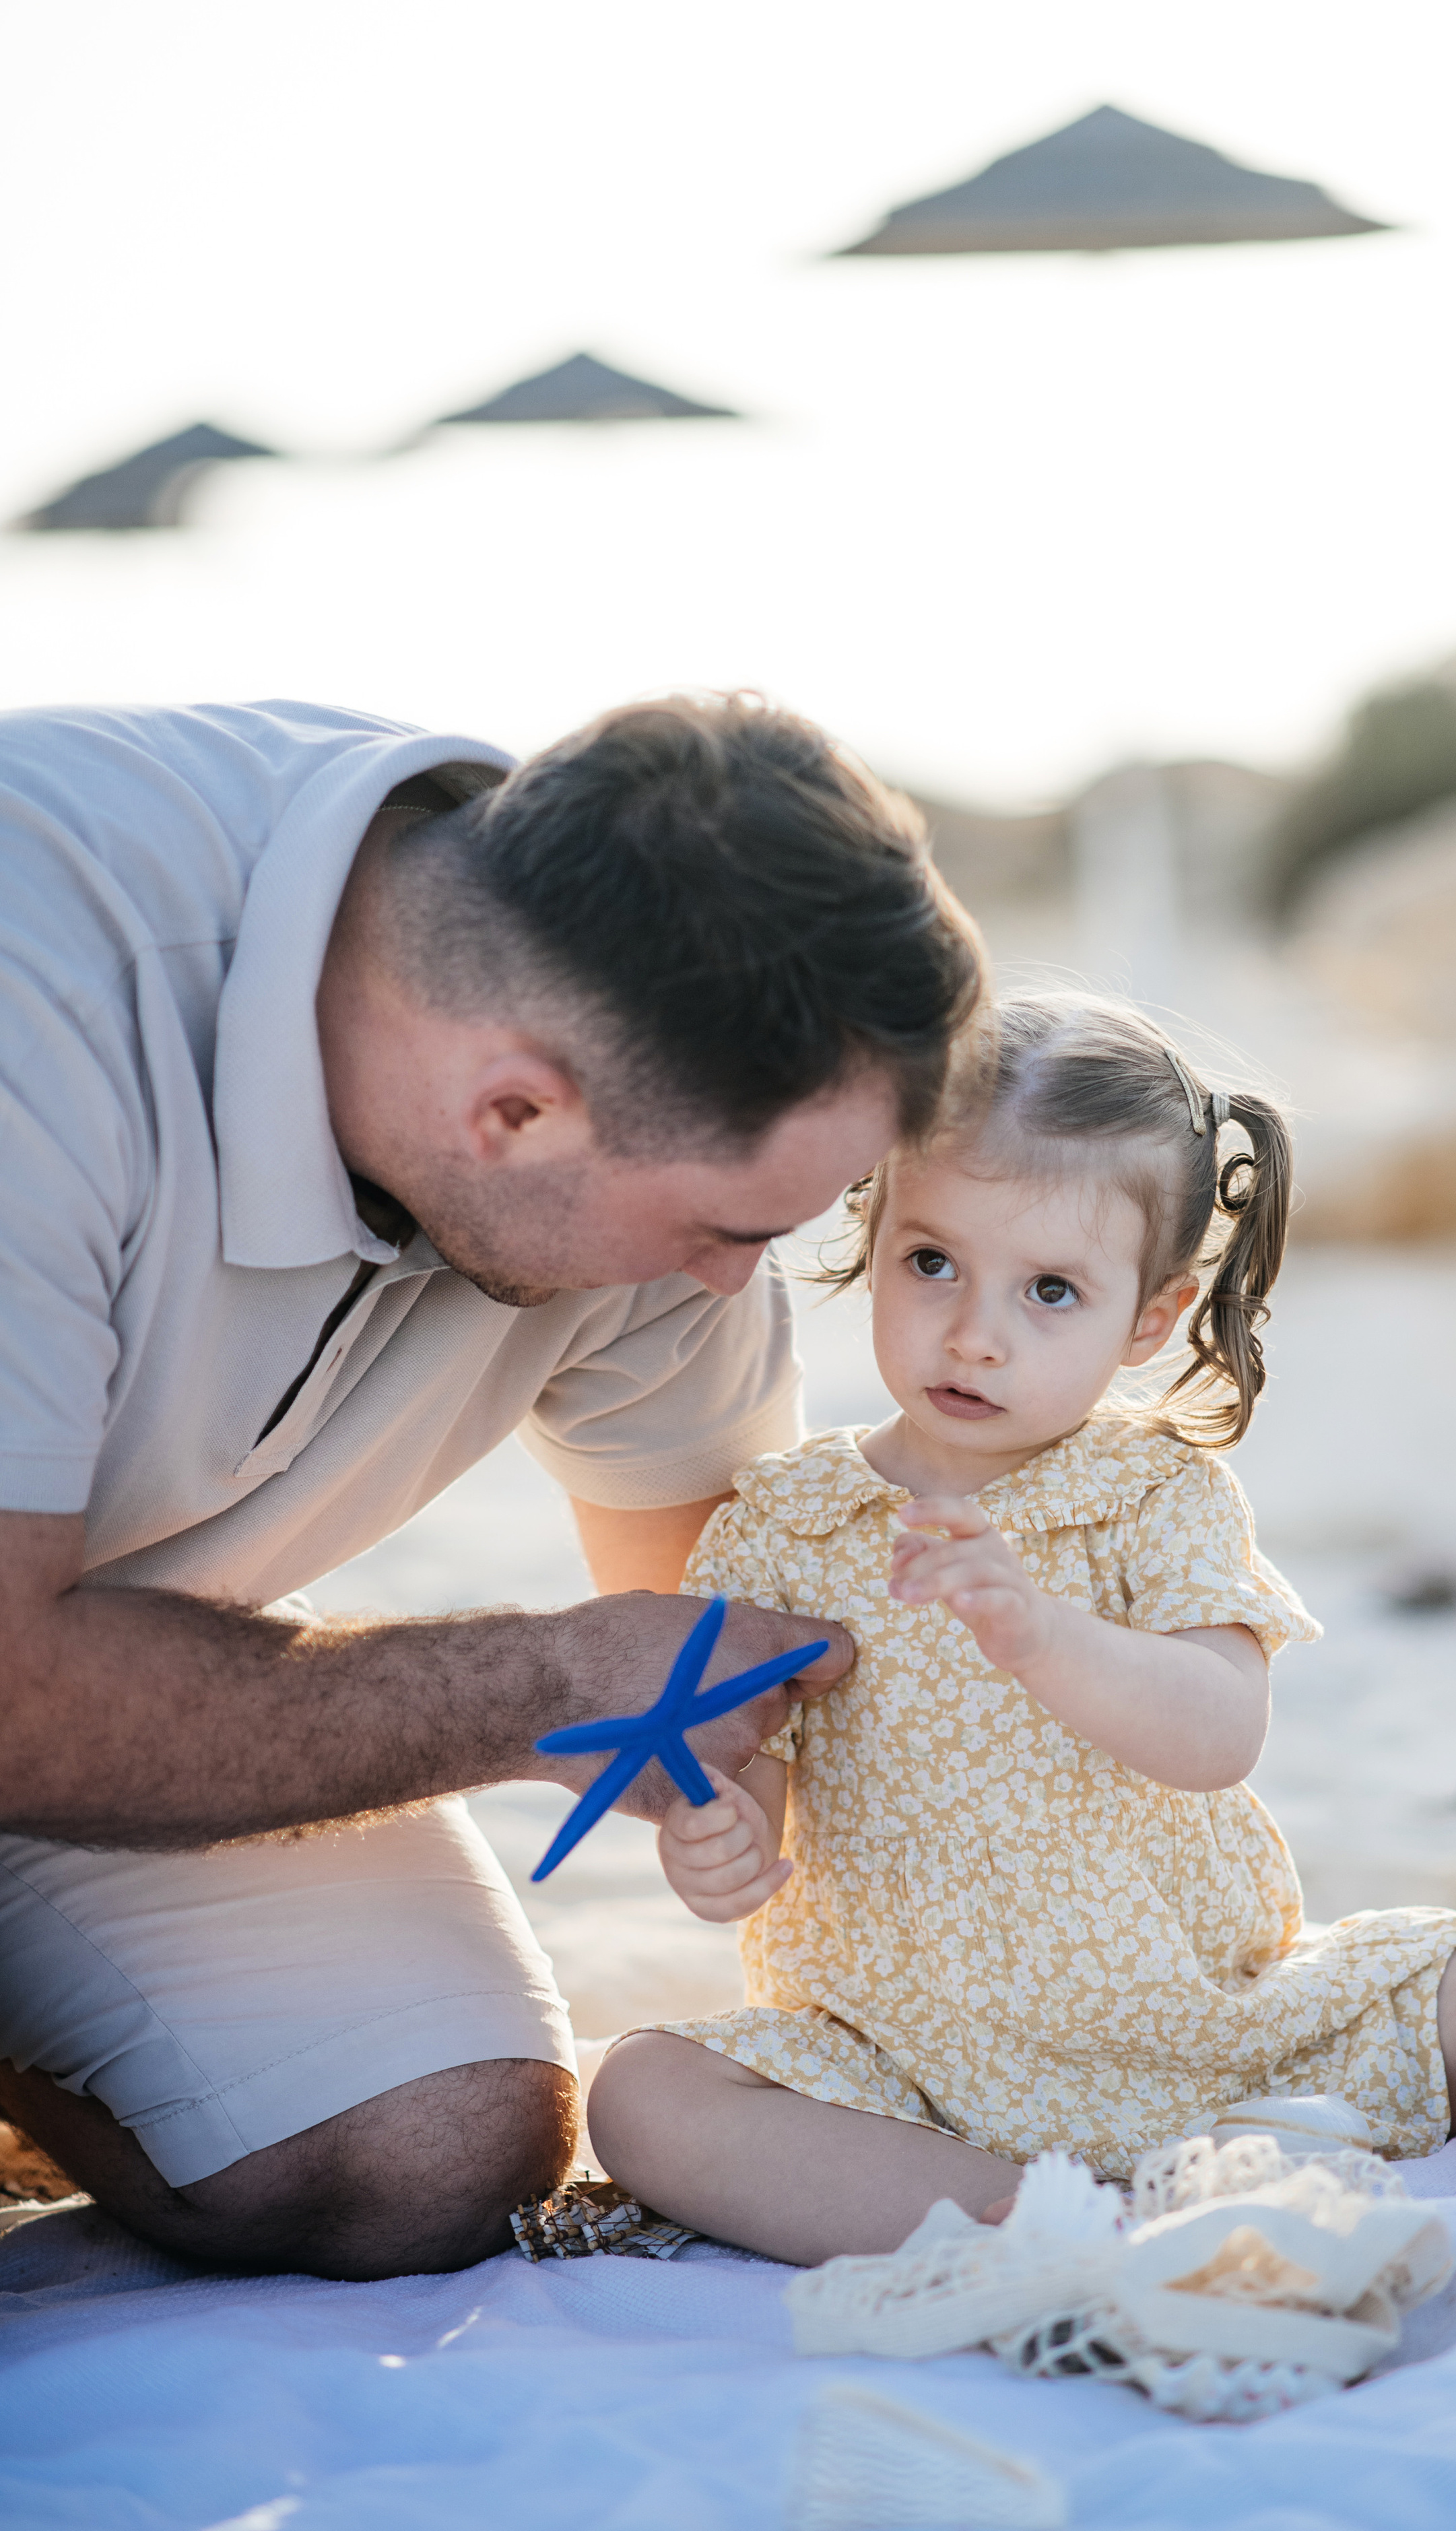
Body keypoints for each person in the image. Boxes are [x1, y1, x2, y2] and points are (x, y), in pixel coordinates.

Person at [0, 690, 983, 2277]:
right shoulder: (37, 970)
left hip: (100, 1636)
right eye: (730, 1230)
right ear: (511, 1110)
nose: (740, 1290)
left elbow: (730, 1633)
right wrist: (546, 1684)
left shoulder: (618, 1056)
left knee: (431, 2147)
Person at [588, 994, 1456, 2264]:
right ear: (873, 1223)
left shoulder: (1152, 1497)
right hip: (898, 2053)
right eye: (932, 1262)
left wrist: (1040, 1635)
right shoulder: (785, 1523)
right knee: (642, 2093)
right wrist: (718, 1837)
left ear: (1148, 1318)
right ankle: (1052, 2219)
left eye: (1052, 1291)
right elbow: (758, 1777)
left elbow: (1219, 1729)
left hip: (1206, 2028)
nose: (975, 1330)